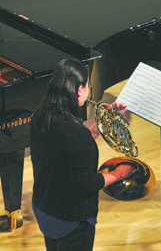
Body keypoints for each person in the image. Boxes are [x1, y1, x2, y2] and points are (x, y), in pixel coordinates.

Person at [30, 59, 136, 251]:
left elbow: (60, 151)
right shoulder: (76, 136)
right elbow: (85, 183)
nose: (88, 91)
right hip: (70, 218)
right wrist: (118, 175)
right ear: (79, 90)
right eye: (88, 86)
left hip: (44, 208)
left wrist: (93, 129)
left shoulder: (40, 116)